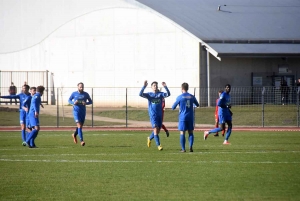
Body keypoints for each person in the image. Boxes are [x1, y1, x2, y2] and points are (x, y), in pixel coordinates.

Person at [139, 80, 170, 151]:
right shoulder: (149, 95)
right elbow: (140, 94)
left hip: (159, 115)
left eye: (156, 85)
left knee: (157, 131)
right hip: (153, 115)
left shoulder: (160, 94)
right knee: (155, 129)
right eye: (154, 85)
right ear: (151, 87)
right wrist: (144, 86)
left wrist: (165, 87)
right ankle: (159, 145)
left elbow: (168, 94)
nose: (155, 86)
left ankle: (149, 138)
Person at [171, 83, 199, 152]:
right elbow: (197, 104)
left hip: (183, 117)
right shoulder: (192, 96)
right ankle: (190, 147)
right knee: (191, 132)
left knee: (182, 132)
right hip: (190, 117)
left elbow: (173, 107)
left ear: (182, 88)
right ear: (187, 88)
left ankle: (183, 149)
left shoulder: (180, 97)